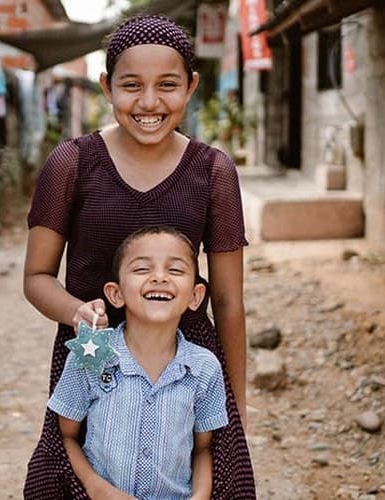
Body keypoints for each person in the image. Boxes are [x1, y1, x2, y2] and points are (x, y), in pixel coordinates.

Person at [23, 14, 256, 499]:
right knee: (82, 482)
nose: (149, 103)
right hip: (96, 357)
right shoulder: (71, 163)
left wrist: (234, 410)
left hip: (183, 361)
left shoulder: (213, 171)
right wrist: (80, 316)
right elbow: (38, 276)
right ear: (107, 86)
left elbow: (230, 303)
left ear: (191, 86)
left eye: (167, 85)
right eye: (132, 85)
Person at [49, 226, 228, 500]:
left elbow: (203, 448)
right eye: (142, 269)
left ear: (195, 296)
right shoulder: (91, 356)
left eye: (176, 270)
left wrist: (200, 496)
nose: (159, 277)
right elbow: (66, 435)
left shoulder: (205, 368)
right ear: (115, 294)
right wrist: (96, 487)